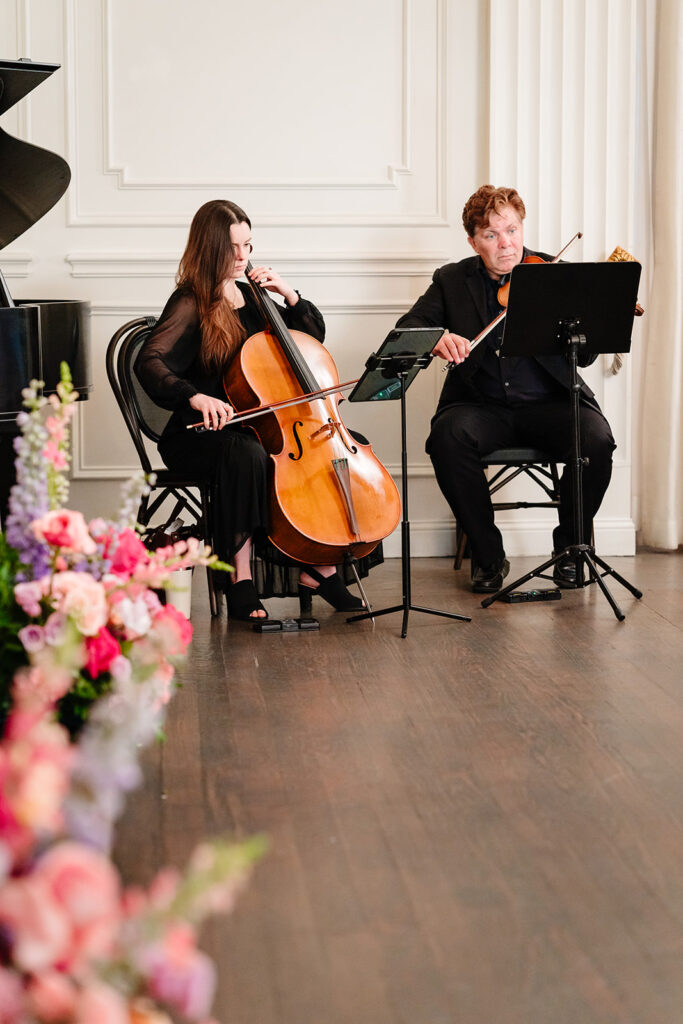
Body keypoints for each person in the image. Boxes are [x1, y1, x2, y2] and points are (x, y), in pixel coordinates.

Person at [135, 199, 378, 619]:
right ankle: (239, 579)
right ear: (209, 248)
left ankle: (320, 566)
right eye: (232, 247)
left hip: (258, 427)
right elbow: (149, 360)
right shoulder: (191, 301)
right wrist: (195, 395)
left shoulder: (253, 295)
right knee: (248, 456)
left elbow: (309, 341)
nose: (243, 256)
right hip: (201, 434)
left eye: (248, 245)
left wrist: (288, 294)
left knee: (342, 448)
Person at [396, 184, 616, 593]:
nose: (506, 244)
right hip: (482, 406)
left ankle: (571, 549)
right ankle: (488, 556)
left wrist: (595, 322)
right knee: (447, 437)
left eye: (512, 230)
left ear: (522, 228)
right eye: (492, 235)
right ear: (473, 241)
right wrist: (438, 337)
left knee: (597, 439)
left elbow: (583, 359)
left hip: (548, 403)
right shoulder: (452, 280)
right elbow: (411, 328)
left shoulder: (551, 272)